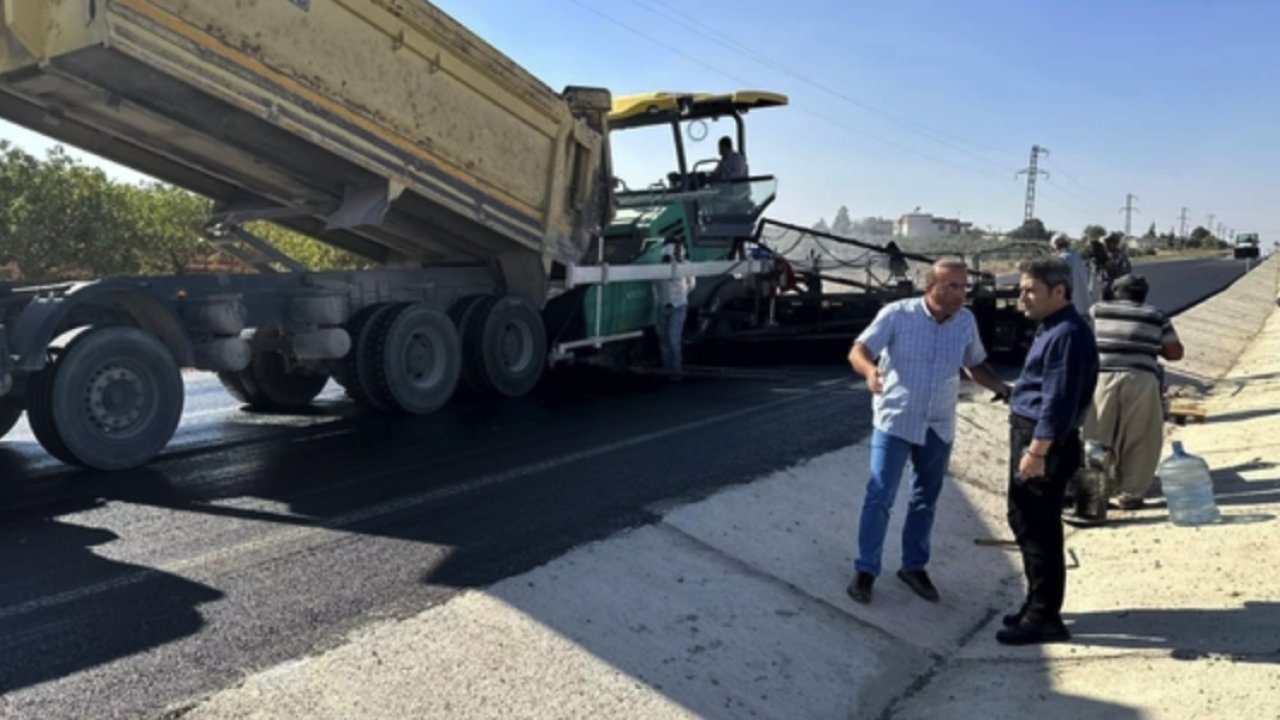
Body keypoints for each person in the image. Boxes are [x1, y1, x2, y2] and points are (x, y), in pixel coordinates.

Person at [846, 259, 1010, 605]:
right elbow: (858, 350)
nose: (960, 294)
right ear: (930, 287)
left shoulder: (966, 321)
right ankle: (865, 571)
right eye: (952, 286)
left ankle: (913, 567)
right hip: (896, 421)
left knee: (925, 500)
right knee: (879, 497)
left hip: (938, 424)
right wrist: (870, 371)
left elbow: (973, 363)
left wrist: (1001, 387)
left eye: (964, 287)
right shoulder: (897, 314)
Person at [1000, 257, 1098, 645]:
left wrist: (1037, 451)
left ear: (1059, 292)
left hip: (1044, 443)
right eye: (1022, 288)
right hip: (1034, 435)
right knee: (1025, 522)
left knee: (1038, 528)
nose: (1022, 297)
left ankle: (1044, 617)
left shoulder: (1068, 334)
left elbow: (1057, 400)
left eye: (1030, 290)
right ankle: (1036, 604)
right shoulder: (1051, 328)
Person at [1085, 274, 1184, 511]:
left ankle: (1095, 493)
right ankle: (1131, 494)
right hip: (1142, 379)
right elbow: (1175, 353)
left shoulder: (1097, 311)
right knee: (1141, 438)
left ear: (1115, 291)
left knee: (1096, 437)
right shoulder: (1156, 316)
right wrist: (1146, 344)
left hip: (1101, 378)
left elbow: (1082, 338)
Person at [654, 242, 694, 374]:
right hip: (664, 306)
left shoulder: (685, 265)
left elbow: (691, 283)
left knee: (673, 338)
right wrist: (659, 299)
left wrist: (682, 295)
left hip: (679, 305)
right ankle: (667, 369)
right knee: (664, 339)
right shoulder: (659, 268)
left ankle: (676, 370)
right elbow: (654, 285)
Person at [1050, 233, 1093, 318]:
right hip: (1084, 308)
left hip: (1069, 310)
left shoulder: (1061, 259)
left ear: (1055, 246)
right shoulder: (1077, 258)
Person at [1101, 232, 1132, 300]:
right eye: (1106, 242)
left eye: (1110, 242)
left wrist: (1112, 267)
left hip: (1116, 290)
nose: (1107, 244)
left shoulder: (1121, 256)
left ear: (1116, 243)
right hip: (1103, 289)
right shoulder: (1102, 255)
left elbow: (1126, 274)